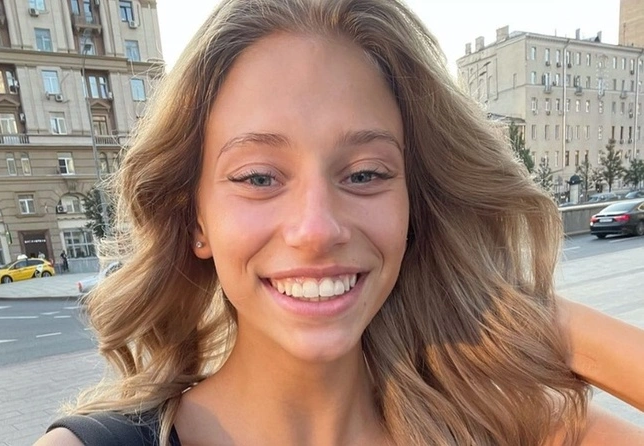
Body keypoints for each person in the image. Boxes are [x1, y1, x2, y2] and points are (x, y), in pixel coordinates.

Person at [36, 1, 644, 445]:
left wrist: (510, 312)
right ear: (196, 220)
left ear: (414, 208)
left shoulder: (499, 425)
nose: (317, 228)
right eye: (258, 177)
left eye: (365, 174)